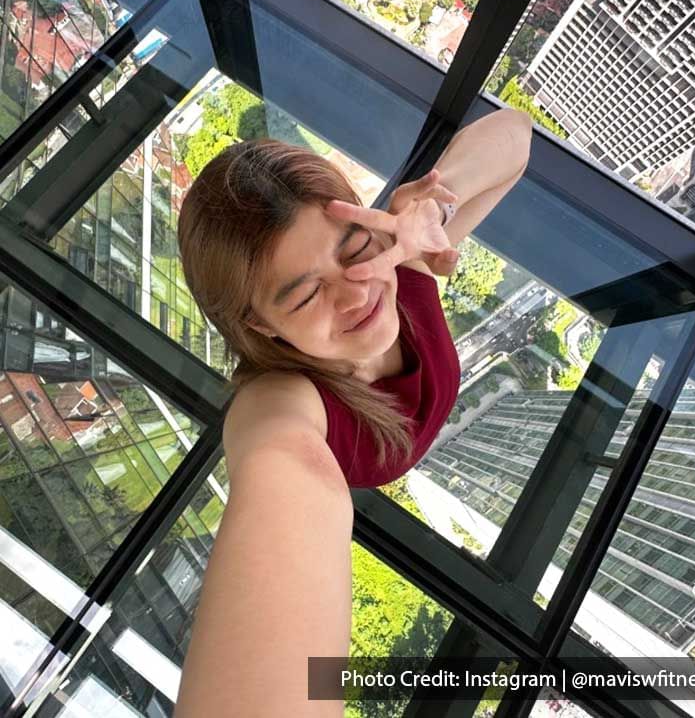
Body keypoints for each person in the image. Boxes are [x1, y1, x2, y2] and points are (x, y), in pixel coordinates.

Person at [172, 107, 532, 717]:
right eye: (307, 293)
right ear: (259, 324)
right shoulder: (279, 404)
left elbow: (516, 136)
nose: (358, 289)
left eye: (357, 247)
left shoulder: (403, 271)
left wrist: (430, 209)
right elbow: (285, 480)